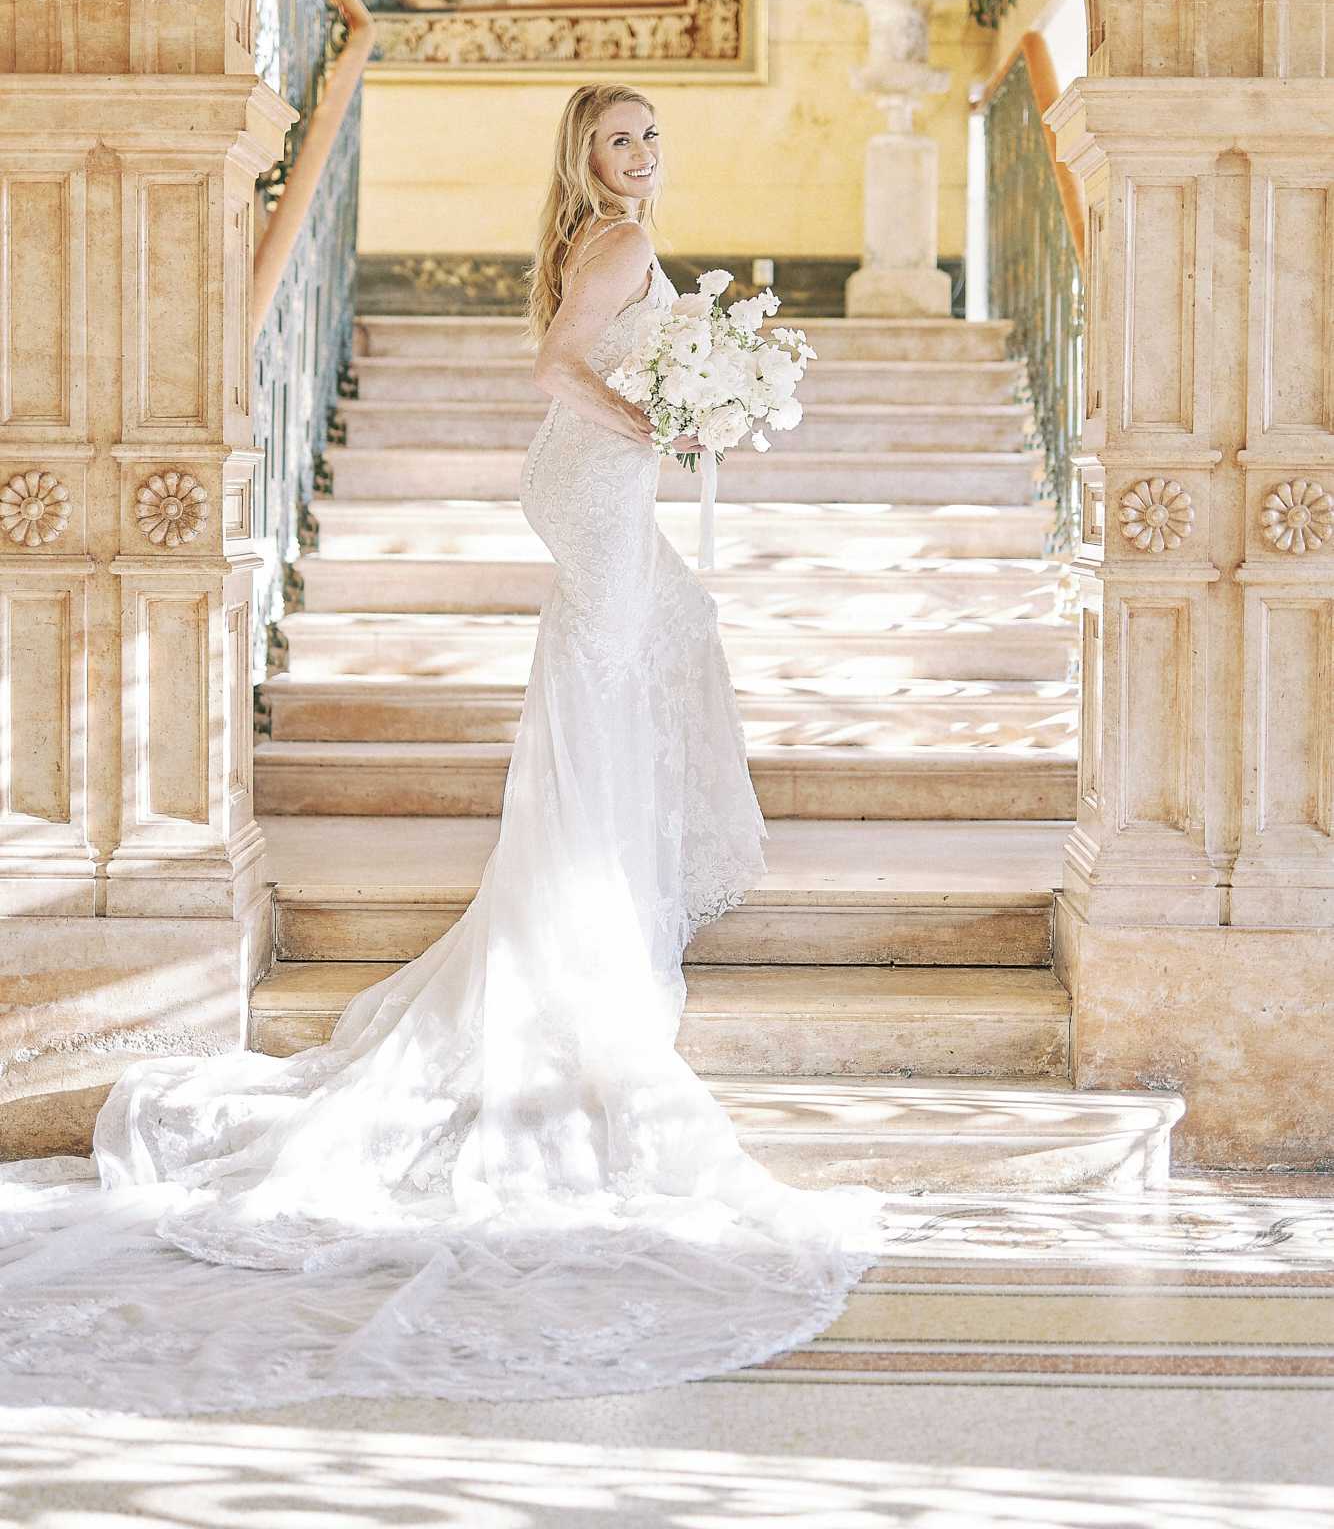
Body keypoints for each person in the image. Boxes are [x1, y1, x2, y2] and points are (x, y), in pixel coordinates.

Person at [0, 82, 885, 1412]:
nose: (641, 153)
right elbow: (552, 372)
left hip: (596, 474)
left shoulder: (607, 234)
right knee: (611, 677)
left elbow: (585, 362)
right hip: (592, 473)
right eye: (618, 137)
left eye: (651, 133)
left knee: (656, 647)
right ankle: (584, 910)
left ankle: (605, 888)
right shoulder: (620, 242)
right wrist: (653, 419)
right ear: (585, 154)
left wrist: (676, 406)